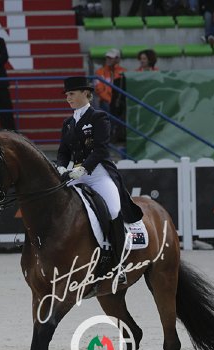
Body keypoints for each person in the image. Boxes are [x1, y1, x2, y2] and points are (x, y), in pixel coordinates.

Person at [56, 76, 143, 285]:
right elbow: (63, 152)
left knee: (113, 210)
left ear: (86, 94)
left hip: (98, 173)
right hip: (75, 174)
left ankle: (119, 264)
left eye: (72, 94)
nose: (68, 98)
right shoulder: (68, 123)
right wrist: (61, 167)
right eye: (67, 95)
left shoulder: (98, 117)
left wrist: (84, 168)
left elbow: (101, 149)